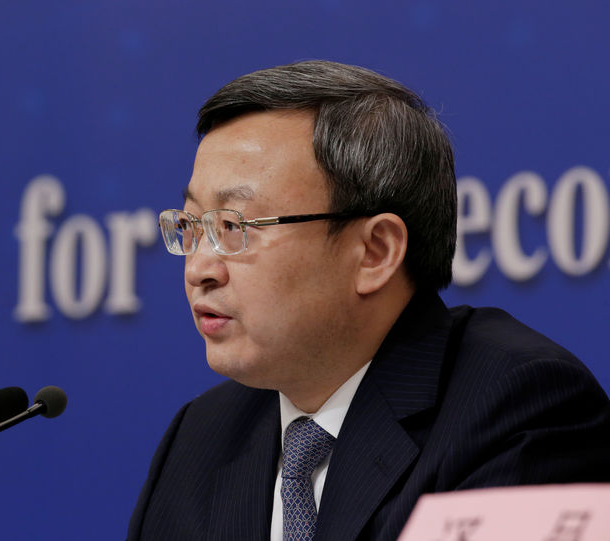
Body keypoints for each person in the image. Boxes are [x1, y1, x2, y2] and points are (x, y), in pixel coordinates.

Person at [127, 60, 610, 541]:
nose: (198, 270)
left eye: (234, 227)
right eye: (191, 226)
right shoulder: (200, 439)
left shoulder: (516, 408)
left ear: (375, 252)